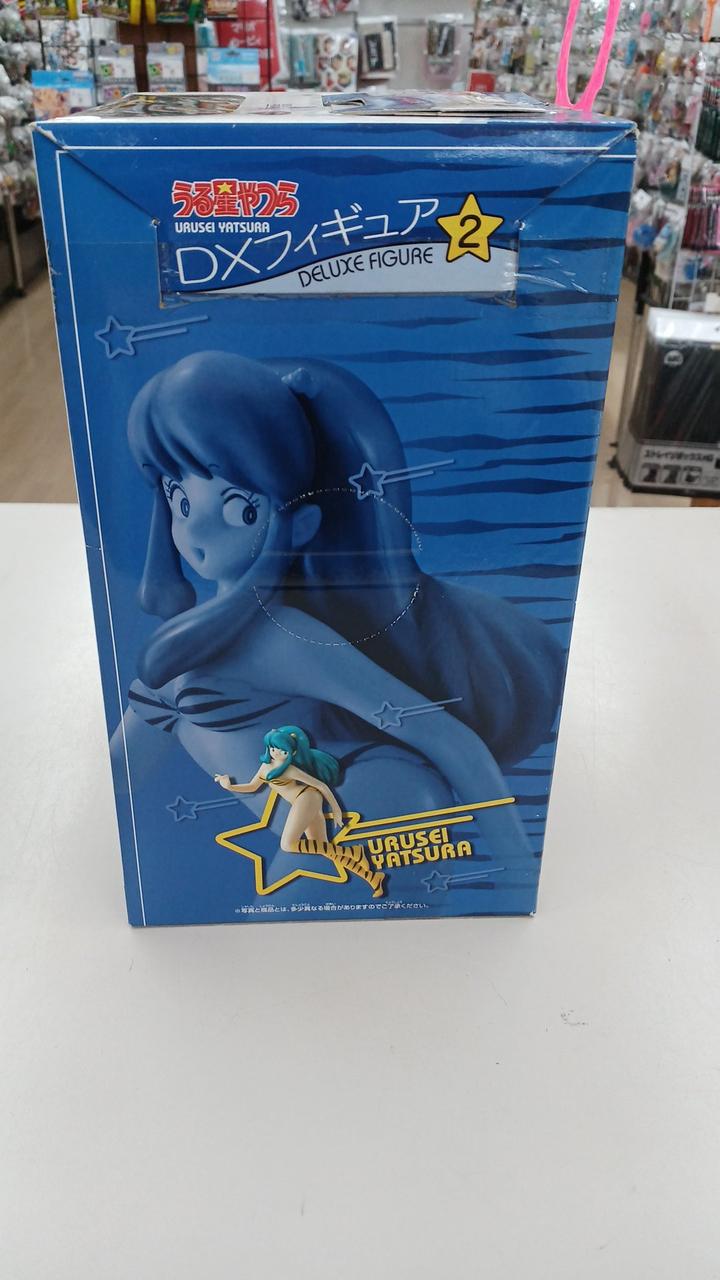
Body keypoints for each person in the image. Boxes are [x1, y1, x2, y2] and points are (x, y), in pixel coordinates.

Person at [116, 351, 562, 863]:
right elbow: (125, 761)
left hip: (377, 807)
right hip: (316, 823)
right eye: (180, 499)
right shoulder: (190, 638)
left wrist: (515, 868)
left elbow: (445, 736)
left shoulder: (282, 636)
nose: (195, 529)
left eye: (240, 509)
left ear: (300, 525)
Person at [215, 726, 385, 896]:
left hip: (306, 798)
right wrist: (229, 786)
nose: (276, 753)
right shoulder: (265, 767)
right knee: (323, 847)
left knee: (288, 844)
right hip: (305, 800)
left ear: (291, 753)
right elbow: (252, 787)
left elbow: (320, 785)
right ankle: (372, 877)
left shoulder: (290, 769)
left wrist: (336, 808)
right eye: (273, 748)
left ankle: (352, 853)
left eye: (282, 751)